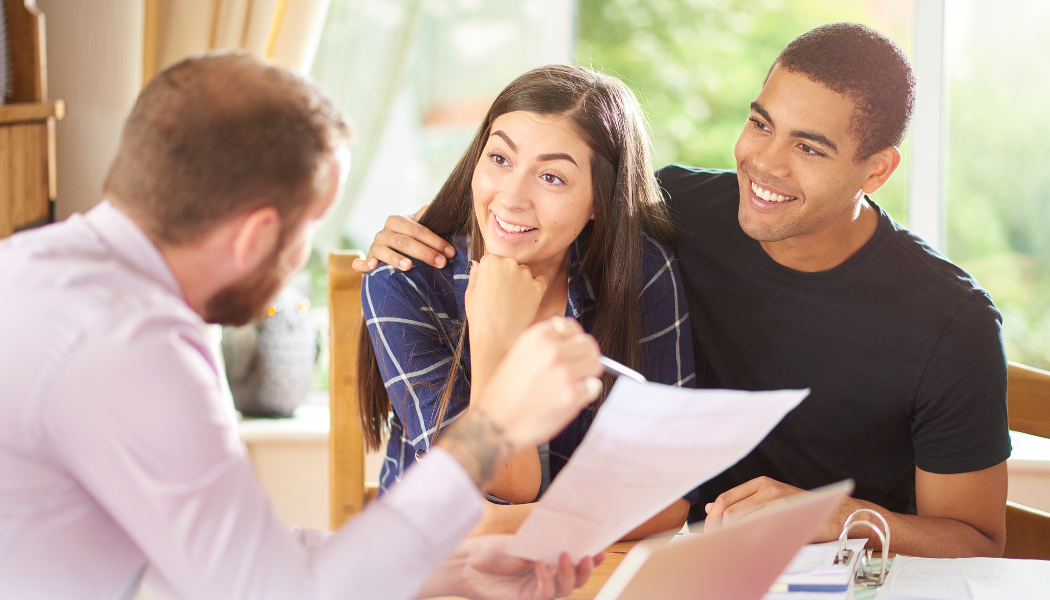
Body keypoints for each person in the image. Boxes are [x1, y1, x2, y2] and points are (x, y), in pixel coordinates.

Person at [353, 23, 1012, 558]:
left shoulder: (949, 323)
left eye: (808, 149)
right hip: (651, 553)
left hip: (812, 568)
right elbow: (526, 198)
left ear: (878, 169)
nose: (765, 163)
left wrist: (835, 513)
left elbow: (978, 540)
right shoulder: (671, 217)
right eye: (760, 124)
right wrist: (416, 245)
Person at [0, 53, 605, 600]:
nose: (300, 263)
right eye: (308, 231)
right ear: (257, 236)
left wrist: (450, 570)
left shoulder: (34, 271)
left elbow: (229, 558)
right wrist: (493, 427)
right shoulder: (132, 345)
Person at [356, 65, 697, 538]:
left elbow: (669, 499)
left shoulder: (638, 273)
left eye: (552, 177)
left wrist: (501, 525)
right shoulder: (406, 281)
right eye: (500, 159)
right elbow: (504, 486)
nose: (511, 198)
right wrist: (497, 337)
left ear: (600, 198)